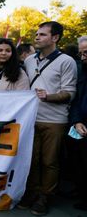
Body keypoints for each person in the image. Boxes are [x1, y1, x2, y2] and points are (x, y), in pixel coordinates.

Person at [20, 21, 77, 215]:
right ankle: (33, 193)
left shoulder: (66, 61)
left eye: (43, 34)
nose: (37, 37)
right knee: (32, 159)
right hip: (31, 118)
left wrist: (49, 96)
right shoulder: (28, 61)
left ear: (55, 38)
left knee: (49, 161)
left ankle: (45, 196)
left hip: (55, 121)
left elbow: (70, 93)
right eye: (37, 34)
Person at [67, 35, 87, 211]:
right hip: (81, 126)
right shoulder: (81, 71)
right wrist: (76, 121)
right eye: (81, 54)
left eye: (86, 53)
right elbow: (75, 100)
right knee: (80, 163)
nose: (83, 57)